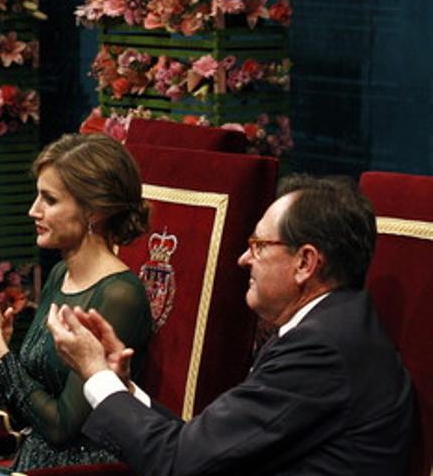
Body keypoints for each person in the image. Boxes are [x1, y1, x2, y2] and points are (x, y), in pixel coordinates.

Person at [48, 175, 417, 475]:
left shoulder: (323, 349)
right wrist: (122, 387)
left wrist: (95, 374)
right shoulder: (334, 326)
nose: (243, 259)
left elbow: (181, 463)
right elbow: (209, 450)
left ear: (305, 262)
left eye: (258, 245)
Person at [0, 133, 154, 470]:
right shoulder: (60, 274)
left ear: (95, 211)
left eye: (50, 199)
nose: (33, 211)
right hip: (30, 461)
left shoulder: (120, 296)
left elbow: (61, 427)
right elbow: (24, 413)